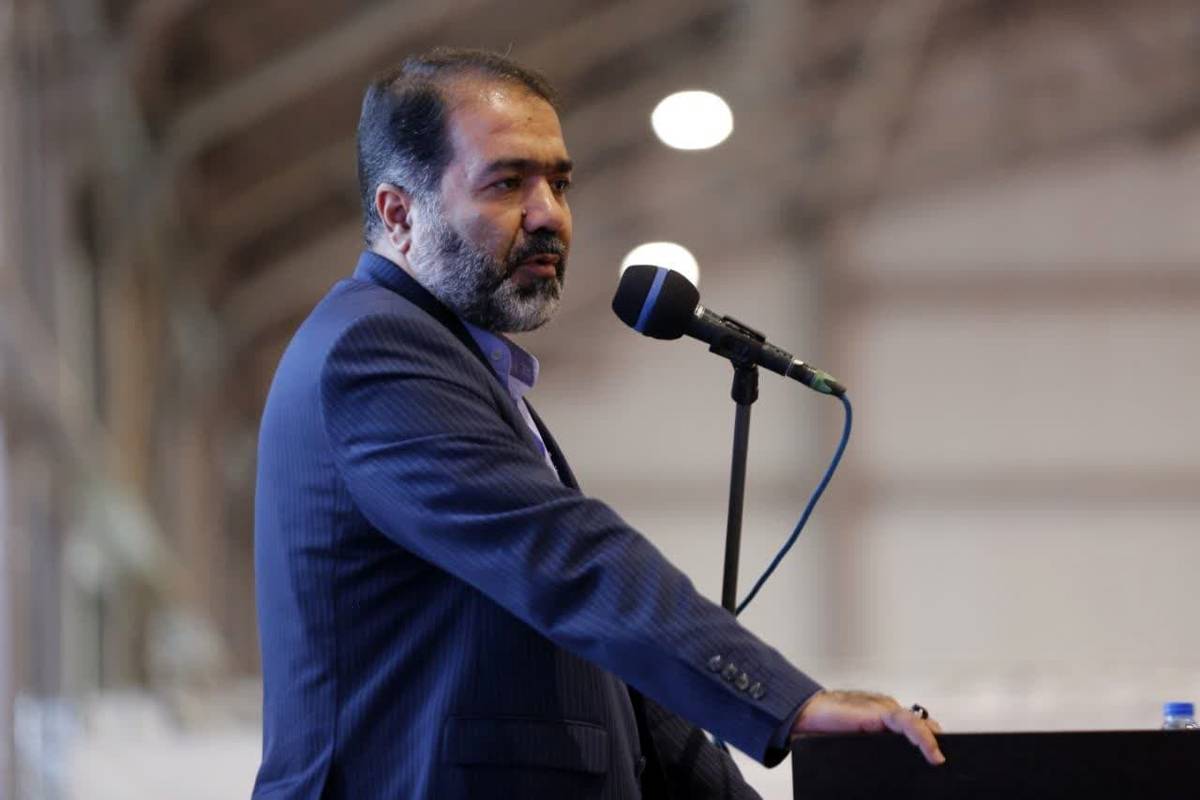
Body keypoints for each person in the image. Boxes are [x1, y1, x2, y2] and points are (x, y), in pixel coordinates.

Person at [251, 47, 943, 800]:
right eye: (507, 182)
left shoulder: (461, 364)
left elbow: (609, 674)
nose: (549, 213)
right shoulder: (372, 350)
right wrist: (789, 702)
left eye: (559, 182)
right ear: (398, 213)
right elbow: (564, 558)